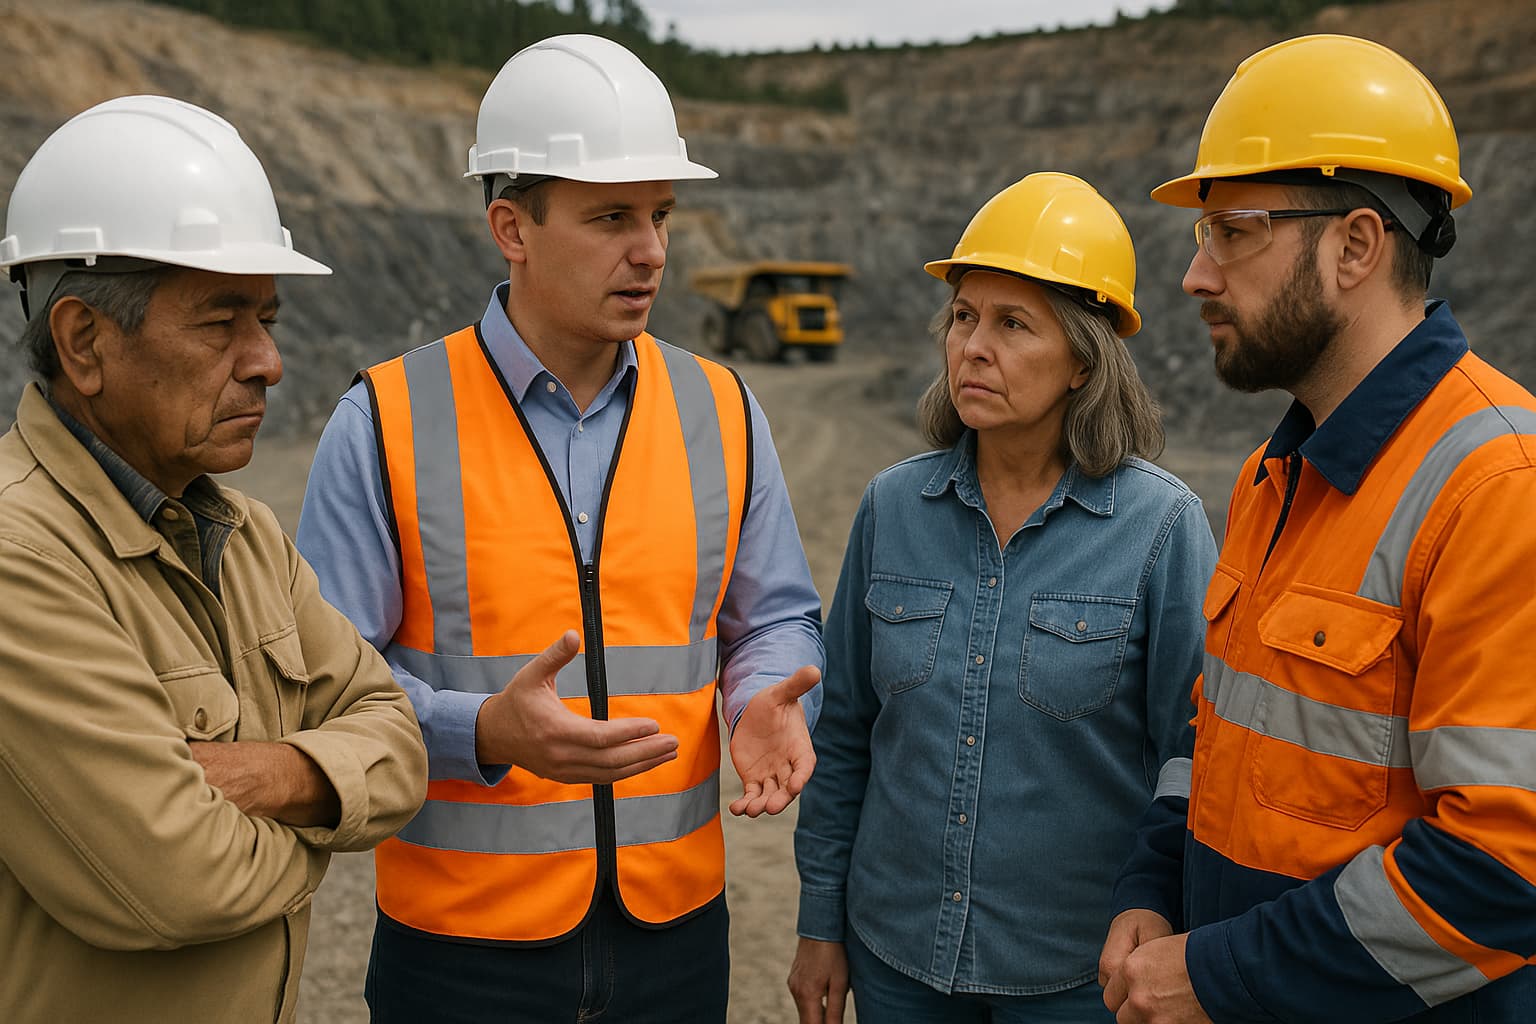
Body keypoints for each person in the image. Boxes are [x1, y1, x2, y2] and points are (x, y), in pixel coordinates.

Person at [296, 34, 825, 1023]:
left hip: (675, 941)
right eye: (612, 217)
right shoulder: (387, 420)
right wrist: (483, 730)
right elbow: (329, 685)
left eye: (661, 215)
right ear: (512, 225)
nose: (653, 250)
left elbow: (774, 620)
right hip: (461, 953)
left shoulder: (722, 408)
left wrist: (762, 694)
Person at [1099, 34, 1536, 1023]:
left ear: (1354, 246)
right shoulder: (1280, 470)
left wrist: (1218, 974)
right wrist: (1152, 883)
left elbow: (1507, 868)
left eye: (1232, 231)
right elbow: (1225, 726)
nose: (1195, 278)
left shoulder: (1498, 486)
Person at [0, 95, 428, 1023]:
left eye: (266, 319)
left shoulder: (246, 535)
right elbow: (180, 882)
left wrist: (279, 776)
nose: (269, 361)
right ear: (84, 341)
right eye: (221, 321)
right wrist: (329, 822)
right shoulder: (19, 562)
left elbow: (397, 735)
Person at [788, 172, 1217, 1024]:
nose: (972, 347)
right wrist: (818, 922)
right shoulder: (891, 508)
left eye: (1013, 324)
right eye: (963, 317)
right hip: (896, 958)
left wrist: (1165, 918)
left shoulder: (1162, 527)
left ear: (1083, 362)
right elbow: (843, 733)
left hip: (1077, 976)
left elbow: (1195, 753)